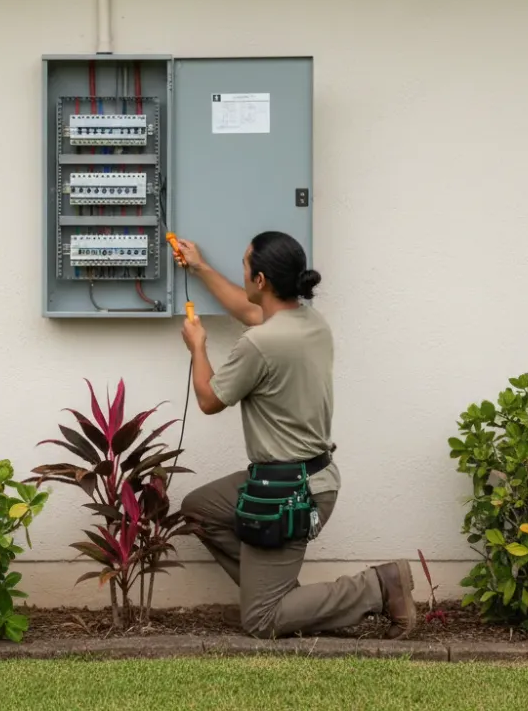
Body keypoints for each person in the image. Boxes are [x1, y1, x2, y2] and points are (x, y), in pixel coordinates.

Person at [176, 231, 416, 639]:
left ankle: (380, 586)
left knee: (261, 622)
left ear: (262, 280)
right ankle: (295, 606)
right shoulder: (310, 323)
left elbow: (208, 400)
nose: (243, 270)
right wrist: (200, 268)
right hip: (305, 477)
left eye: (246, 266)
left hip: (290, 493)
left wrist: (198, 346)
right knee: (199, 510)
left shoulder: (260, 344)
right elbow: (248, 310)